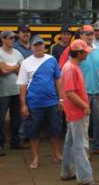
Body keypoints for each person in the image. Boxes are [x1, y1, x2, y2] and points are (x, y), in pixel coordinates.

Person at [60, 39, 99, 185]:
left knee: (71, 142)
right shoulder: (71, 68)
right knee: (81, 145)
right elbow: (70, 93)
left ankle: (67, 171)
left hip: (73, 112)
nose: (87, 55)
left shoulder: (71, 66)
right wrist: (85, 106)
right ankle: (85, 178)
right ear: (79, 53)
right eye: (85, 52)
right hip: (77, 112)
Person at [17, 35, 64, 169]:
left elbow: (58, 80)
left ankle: (57, 154)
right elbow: (22, 85)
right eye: (35, 45)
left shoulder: (52, 59)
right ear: (31, 47)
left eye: (40, 45)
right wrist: (23, 105)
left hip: (52, 103)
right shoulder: (26, 63)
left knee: (55, 130)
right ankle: (35, 157)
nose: (38, 47)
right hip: (34, 104)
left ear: (44, 46)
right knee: (33, 132)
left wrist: (61, 99)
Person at [76, 26, 99, 155]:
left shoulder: (97, 51)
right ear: (81, 35)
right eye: (87, 34)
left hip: (97, 92)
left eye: (91, 33)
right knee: (84, 124)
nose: (90, 36)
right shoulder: (77, 51)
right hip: (82, 93)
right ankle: (84, 151)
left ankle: (98, 146)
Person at [0, 30, 25, 155]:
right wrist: (15, 67)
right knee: (0, 119)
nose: (12, 40)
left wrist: (10, 67)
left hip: (16, 90)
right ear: (3, 39)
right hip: (3, 92)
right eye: (10, 38)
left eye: (13, 38)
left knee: (16, 118)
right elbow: (3, 71)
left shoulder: (17, 53)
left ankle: (15, 142)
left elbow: (22, 70)